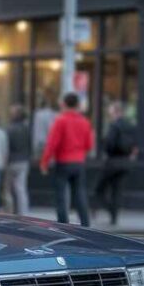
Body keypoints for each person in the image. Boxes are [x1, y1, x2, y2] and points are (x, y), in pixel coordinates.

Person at [40, 92, 94, 226]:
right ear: (78, 105)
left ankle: (63, 224)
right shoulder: (85, 122)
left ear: (63, 104)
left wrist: (44, 162)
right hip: (79, 162)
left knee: (61, 196)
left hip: (63, 162)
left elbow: (52, 143)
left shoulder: (60, 120)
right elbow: (89, 145)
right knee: (80, 194)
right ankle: (85, 224)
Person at [95, 101, 138, 225]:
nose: (109, 114)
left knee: (99, 189)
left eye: (111, 111)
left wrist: (106, 149)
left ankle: (111, 211)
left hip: (113, 162)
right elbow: (135, 144)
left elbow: (109, 144)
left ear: (116, 112)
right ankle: (114, 216)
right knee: (117, 190)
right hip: (125, 162)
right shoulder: (130, 126)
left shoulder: (114, 126)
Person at [4, 104, 31, 215]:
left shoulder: (9, 129)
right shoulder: (27, 128)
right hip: (24, 160)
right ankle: (23, 212)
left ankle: (10, 211)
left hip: (11, 161)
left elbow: (6, 146)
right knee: (21, 188)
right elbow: (30, 144)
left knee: (8, 189)